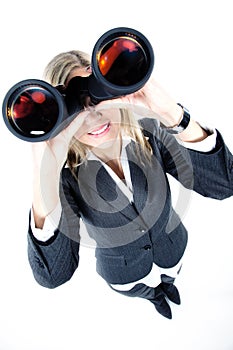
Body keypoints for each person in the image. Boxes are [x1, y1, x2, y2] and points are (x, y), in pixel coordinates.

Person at [28, 49, 233, 320]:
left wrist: (172, 114)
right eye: (74, 107)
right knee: (145, 291)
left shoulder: (152, 134)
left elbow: (224, 184)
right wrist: (46, 171)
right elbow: (53, 275)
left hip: (173, 249)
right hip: (125, 274)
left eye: (96, 97)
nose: (92, 117)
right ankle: (155, 298)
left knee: (169, 278)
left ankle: (167, 288)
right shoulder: (66, 181)